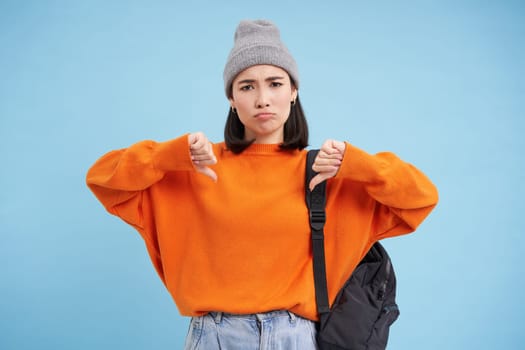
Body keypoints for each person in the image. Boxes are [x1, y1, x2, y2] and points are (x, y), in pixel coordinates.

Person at [86, 19, 438, 350]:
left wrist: (361, 166)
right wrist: (166, 157)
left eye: (275, 83)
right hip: (215, 337)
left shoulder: (326, 175)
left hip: (297, 337)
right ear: (231, 98)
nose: (262, 99)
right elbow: (102, 177)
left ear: (294, 91)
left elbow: (422, 197)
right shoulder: (194, 170)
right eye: (247, 86)